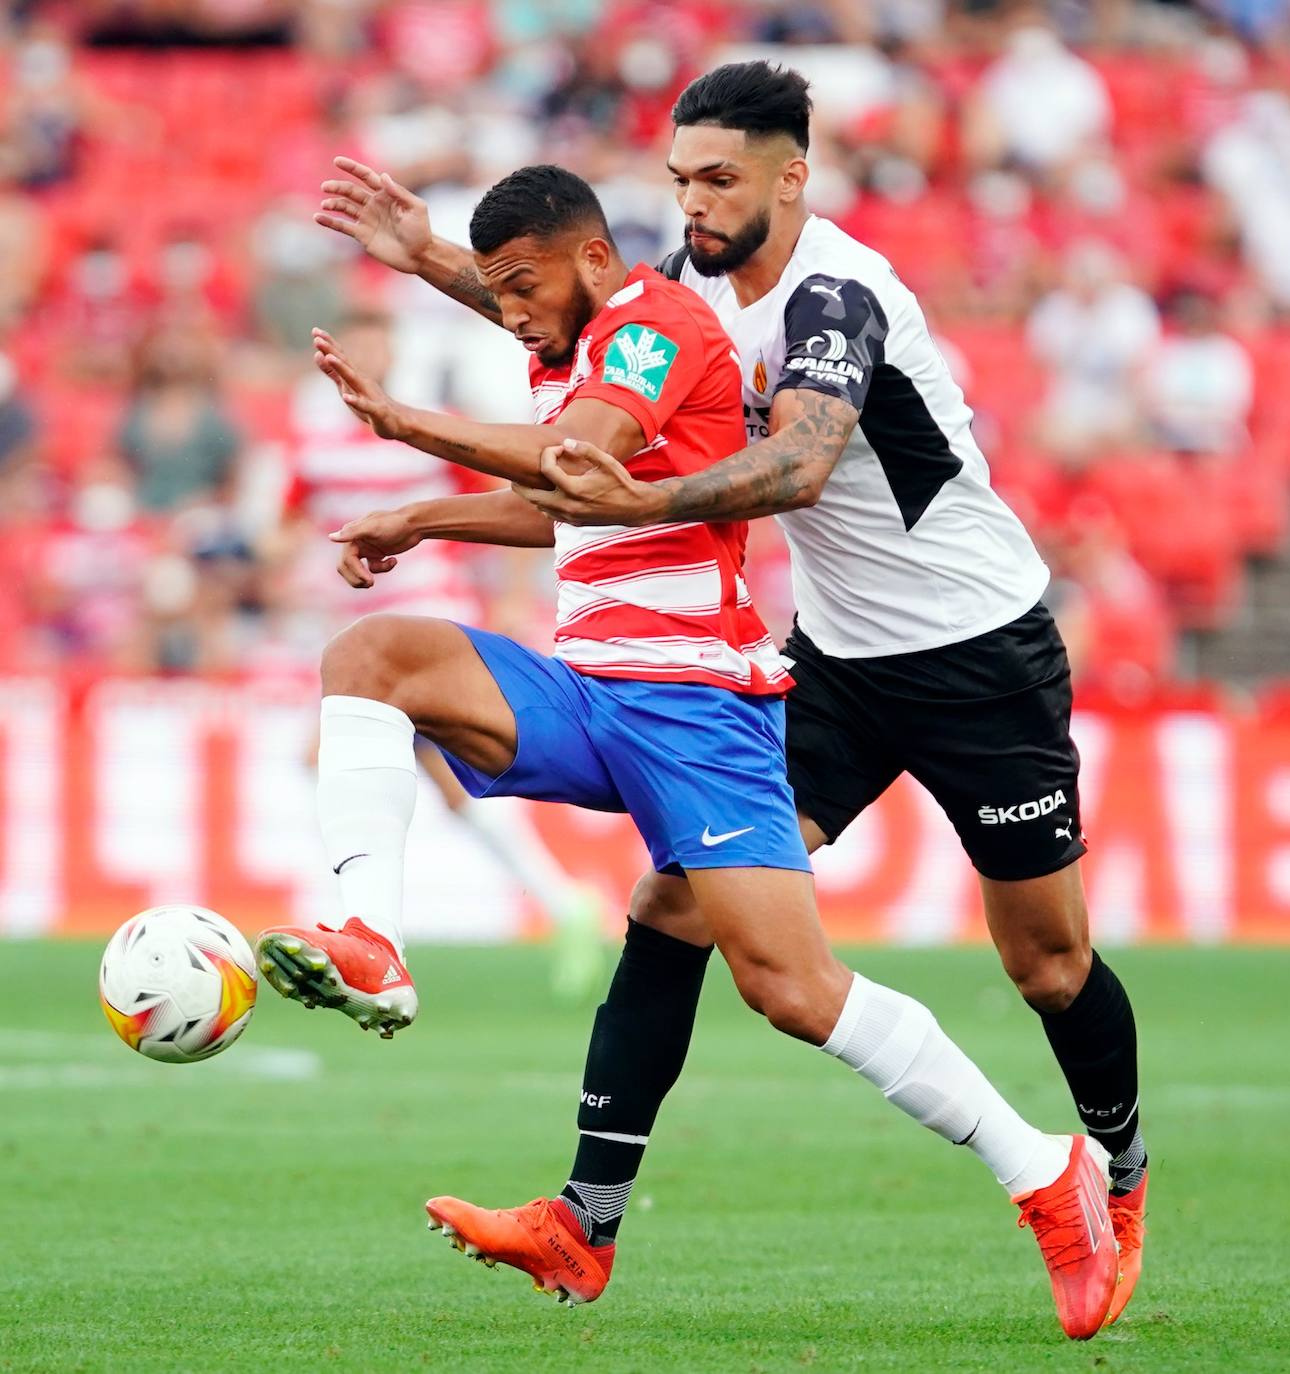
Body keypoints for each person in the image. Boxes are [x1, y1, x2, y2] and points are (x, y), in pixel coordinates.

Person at [285, 163, 1120, 1339]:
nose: (509, 308)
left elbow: (574, 460)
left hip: (698, 709)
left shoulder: (658, 328)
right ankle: (370, 938)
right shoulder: (573, 347)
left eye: (520, 285)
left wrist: (404, 425)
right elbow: (569, 500)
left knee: (791, 989)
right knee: (373, 659)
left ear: (586, 258)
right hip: (591, 686)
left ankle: (1045, 1169)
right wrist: (418, 517)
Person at [267, 305, 608, 999]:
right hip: (364, 644)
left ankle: (365, 924)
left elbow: (506, 502)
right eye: (359, 338)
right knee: (449, 789)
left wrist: (512, 593)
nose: (371, 351)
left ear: (394, 350)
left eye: (379, 338)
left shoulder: (426, 431)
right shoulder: (314, 446)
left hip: (430, 624)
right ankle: (564, 905)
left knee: (328, 758)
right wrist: (279, 568)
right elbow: (287, 527)